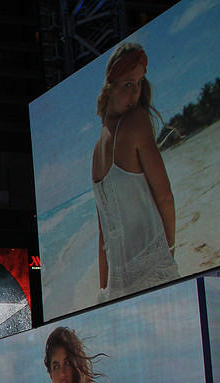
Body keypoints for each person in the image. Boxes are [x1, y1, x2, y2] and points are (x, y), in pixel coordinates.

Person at [92, 42, 178, 303]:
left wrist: (105, 290)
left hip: (118, 286)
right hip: (152, 270)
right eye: (128, 84)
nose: (136, 93)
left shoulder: (96, 151)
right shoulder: (137, 121)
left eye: (140, 83)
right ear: (110, 88)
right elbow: (165, 197)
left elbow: (103, 236)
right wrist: (170, 253)